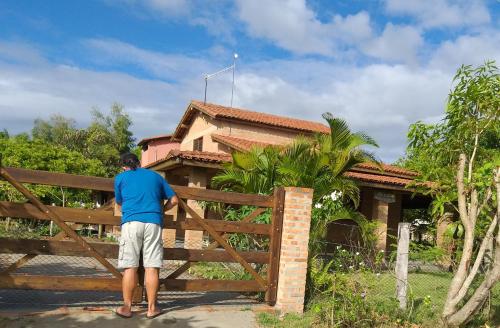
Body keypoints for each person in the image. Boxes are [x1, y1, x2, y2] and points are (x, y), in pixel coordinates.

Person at [114, 152, 178, 319]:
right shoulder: (155, 176)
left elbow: (119, 203)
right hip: (153, 222)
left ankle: (127, 308)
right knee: (152, 267)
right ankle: (151, 308)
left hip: (131, 223)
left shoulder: (120, 178)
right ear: (139, 162)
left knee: (130, 266)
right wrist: (160, 211)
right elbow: (174, 200)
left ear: (123, 166)